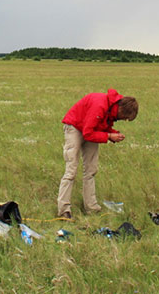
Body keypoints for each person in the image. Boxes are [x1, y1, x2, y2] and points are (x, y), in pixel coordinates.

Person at [57, 89, 138, 219]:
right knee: (71, 171)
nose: (122, 120)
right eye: (124, 117)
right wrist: (109, 136)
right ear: (121, 110)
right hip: (74, 128)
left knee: (91, 170)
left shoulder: (111, 108)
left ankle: (91, 208)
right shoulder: (100, 105)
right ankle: (64, 210)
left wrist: (112, 134)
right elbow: (88, 133)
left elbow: (100, 126)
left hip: (89, 129)